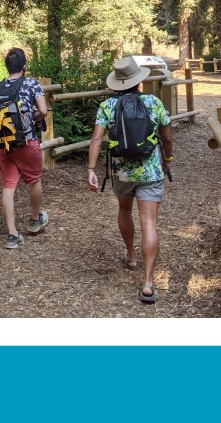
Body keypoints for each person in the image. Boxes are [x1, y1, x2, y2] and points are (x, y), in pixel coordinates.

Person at [86, 55, 173, 303]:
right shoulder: (153, 102)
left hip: (122, 172)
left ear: (117, 83)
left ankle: (131, 255)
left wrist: (91, 169)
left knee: (124, 210)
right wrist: (168, 158)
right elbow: (167, 137)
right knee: (149, 223)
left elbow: (96, 139)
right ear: (139, 81)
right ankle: (147, 282)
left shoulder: (107, 106)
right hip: (150, 172)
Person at [0, 48, 50, 249]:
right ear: (24, 66)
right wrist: (32, 119)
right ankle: (34, 220)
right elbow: (42, 110)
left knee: (8, 186)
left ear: (7, 66)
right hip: (26, 141)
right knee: (34, 180)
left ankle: (12, 234)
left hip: (4, 143)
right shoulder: (32, 83)